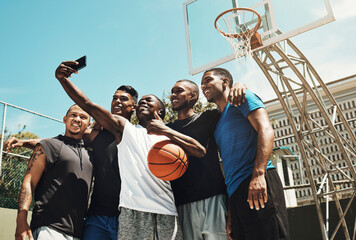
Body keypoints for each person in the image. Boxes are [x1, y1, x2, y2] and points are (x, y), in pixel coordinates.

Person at [54, 60, 207, 239]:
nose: (143, 102)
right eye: (140, 101)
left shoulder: (169, 137)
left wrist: (165, 129)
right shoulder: (126, 130)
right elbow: (88, 105)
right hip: (132, 211)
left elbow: (199, 151)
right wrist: (63, 79)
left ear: (160, 110)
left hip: (167, 210)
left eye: (148, 101)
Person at [6, 85, 138, 240]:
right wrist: (23, 142)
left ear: (133, 107)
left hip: (112, 220)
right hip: (84, 220)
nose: (117, 101)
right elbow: (54, 143)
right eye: (114, 98)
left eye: (123, 99)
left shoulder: (136, 135)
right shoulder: (94, 136)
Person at [201, 68, 289, 240]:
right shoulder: (218, 123)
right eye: (202, 82)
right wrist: (231, 211)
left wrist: (258, 175)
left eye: (208, 80)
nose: (203, 85)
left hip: (256, 180)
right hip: (237, 193)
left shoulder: (242, 98)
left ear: (225, 81)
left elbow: (266, 130)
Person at [153, 79, 245, 240]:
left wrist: (239, 85)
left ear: (193, 95)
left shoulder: (209, 117)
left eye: (179, 91)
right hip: (182, 203)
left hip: (213, 197)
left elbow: (231, 105)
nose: (173, 95)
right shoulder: (168, 128)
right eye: (172, 92)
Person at [15, 104, 93, 240]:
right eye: (73, 115)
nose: (77, 119)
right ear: (64, 118)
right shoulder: (48, 145)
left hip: (79, 232)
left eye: (83, 117)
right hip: (49, 229)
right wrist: (21, 220)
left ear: (89, 124)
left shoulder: (90, 154)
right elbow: (29, 182)